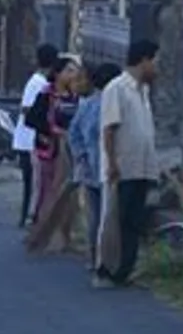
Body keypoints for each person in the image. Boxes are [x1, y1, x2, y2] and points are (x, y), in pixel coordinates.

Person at [96, 39, 161, 289]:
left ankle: (125, 269)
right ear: (144, 60)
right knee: (116, 219)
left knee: (134, 220)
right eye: (155, 61)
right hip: (122, 167)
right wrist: (112, 163)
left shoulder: (143, 91)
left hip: (141, 167)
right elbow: (109, 129)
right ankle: (107, 267)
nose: (157, 67)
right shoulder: (117, 88)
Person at [68, 62, 122, 273]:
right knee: (108, 218)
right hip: (108, 169)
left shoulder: (88, 105)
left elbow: (74, 135)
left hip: (90, 169)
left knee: (94, 218)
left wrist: (81, 158)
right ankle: (106, 260)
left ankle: (93, 258)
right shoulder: (112, 104)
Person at [28, 55, 81, 239]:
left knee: (67, 192)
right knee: (47, 189)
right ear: (58, 73)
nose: (73, 74)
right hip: (49, 149)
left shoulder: (75, 96)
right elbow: (32, 119)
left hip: (69, 150)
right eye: (69, 70)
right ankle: (41, 229)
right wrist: (54, 131)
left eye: (75, 71)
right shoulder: (46, 94)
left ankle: (63, 233)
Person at [13, 44, 59, 228]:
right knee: (32, 183)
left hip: (29, 138)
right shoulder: (39, 83)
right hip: (28, 139)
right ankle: (28, 216)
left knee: (34, 183)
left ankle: (30, 216)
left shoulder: (41, 82)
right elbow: (26, 109)